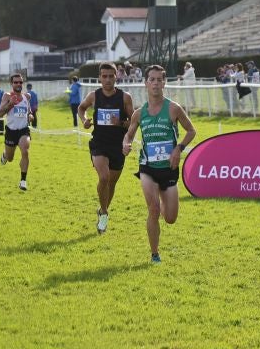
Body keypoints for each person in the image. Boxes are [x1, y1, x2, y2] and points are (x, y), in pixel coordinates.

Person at [122, 65, 196, 263]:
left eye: (159, 80)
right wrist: (126, 144)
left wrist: (178, 149)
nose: (155, 83)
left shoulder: (173, 108)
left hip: (169, 168)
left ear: (164, 83)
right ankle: (154, 254)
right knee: (153, 209)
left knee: (170, 218)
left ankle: (164, 201)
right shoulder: (139, 113)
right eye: (152, 79)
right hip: (147, 167)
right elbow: (128, 135)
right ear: (146, 83)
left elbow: (191, 131)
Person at [78, 63, 135, 234]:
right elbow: (81, 108)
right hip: (99, 143)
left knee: (111, 182)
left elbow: (133, 122)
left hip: (117, 145)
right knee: (103, 178)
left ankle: (103, 209)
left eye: (111, 76)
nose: (108, 79)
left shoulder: (125, 97)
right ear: (100, 78)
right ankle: (104, 213)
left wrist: (121, 123)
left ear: (116, 76)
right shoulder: (94, 96)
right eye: (104, 76)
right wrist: (85, 120)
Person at [0, 74, 34, 191]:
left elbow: (29, 112)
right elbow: (0, 113)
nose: (18, 84)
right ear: (11, 84)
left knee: (25, 150)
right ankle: (5, 154)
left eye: (20, 82)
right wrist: (10, 104)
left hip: (23, 130)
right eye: (16, 82)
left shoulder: (26, 97)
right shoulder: (7, 96)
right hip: (11, 131)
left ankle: (23, 181)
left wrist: (30, 116)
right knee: (10, 158)